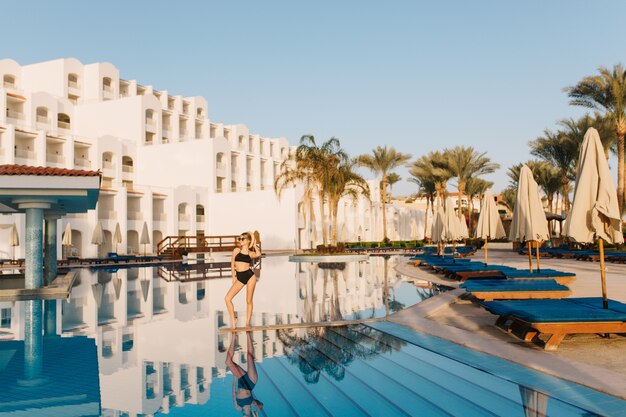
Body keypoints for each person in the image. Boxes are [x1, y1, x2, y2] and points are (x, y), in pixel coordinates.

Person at [225, 231, 261, 329]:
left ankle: (247, 323)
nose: (240, 240)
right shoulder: (236, 250)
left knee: (248, 300)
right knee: (227, 298)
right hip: (239, 277)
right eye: (239, 239)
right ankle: (234, 320)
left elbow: (258, 253)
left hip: (250, 276)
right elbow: (232, 264)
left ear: (248, 241)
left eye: (242, 239)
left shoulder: (250, 253)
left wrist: (254, 244)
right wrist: (233, 277)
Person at [226, 332, 264, 416]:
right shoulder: (252, 403)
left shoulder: (238, 407)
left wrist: (235, 378)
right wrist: (256, 413)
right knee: (250, 357)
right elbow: (261, 405)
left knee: (228, 362)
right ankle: (248, 333)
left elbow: (233, 393)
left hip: (241, 381)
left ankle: (234, 337)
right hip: (251, 382)